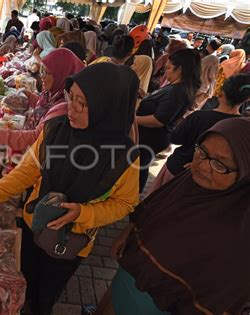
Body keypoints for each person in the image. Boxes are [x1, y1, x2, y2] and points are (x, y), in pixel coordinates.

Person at [0, 62, 141, 315]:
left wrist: (83, 214)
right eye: (71, 98)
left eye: (82, 104)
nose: (71, 109)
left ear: (107, 108)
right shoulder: (56, 130)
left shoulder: (125, 157)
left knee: (46, 296)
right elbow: (26, 172)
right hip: (34, 224)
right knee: (24, 283)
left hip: (72, 241)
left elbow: (125, 203)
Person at [104, 117, 250, 315]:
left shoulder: (240, 235)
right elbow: (151, 208)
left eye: (219, 164)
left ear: (244, 174)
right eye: (202, 151)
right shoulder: (188, 181)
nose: (203, 166)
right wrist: (128, 232)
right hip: (131, 276)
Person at [146, 73, 249, 194]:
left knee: (156, 202)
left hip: (178, 169)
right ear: (246, 100)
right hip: (210, 183)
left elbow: (175, 138)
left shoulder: (199, 117)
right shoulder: (240, 128)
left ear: (221, 92)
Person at [0, 48, 85, 151]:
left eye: (46, 73)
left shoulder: (64, 107)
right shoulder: (53, 93)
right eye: (41, 71)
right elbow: (44, 106)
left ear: (61, 74)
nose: (42, 77)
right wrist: (29, 96)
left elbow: (36, 138)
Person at [136, 49, 201, 192]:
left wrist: (132, 119)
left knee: (138, 167)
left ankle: (133, 198)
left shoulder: (177, 91)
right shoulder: (175, 87)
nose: (166, 72)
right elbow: (161, 105)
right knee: (139, 166)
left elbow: (159, 120)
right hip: (150, 136)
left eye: (169, 68)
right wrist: (146, 96)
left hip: (151, 137)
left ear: (180, 69)